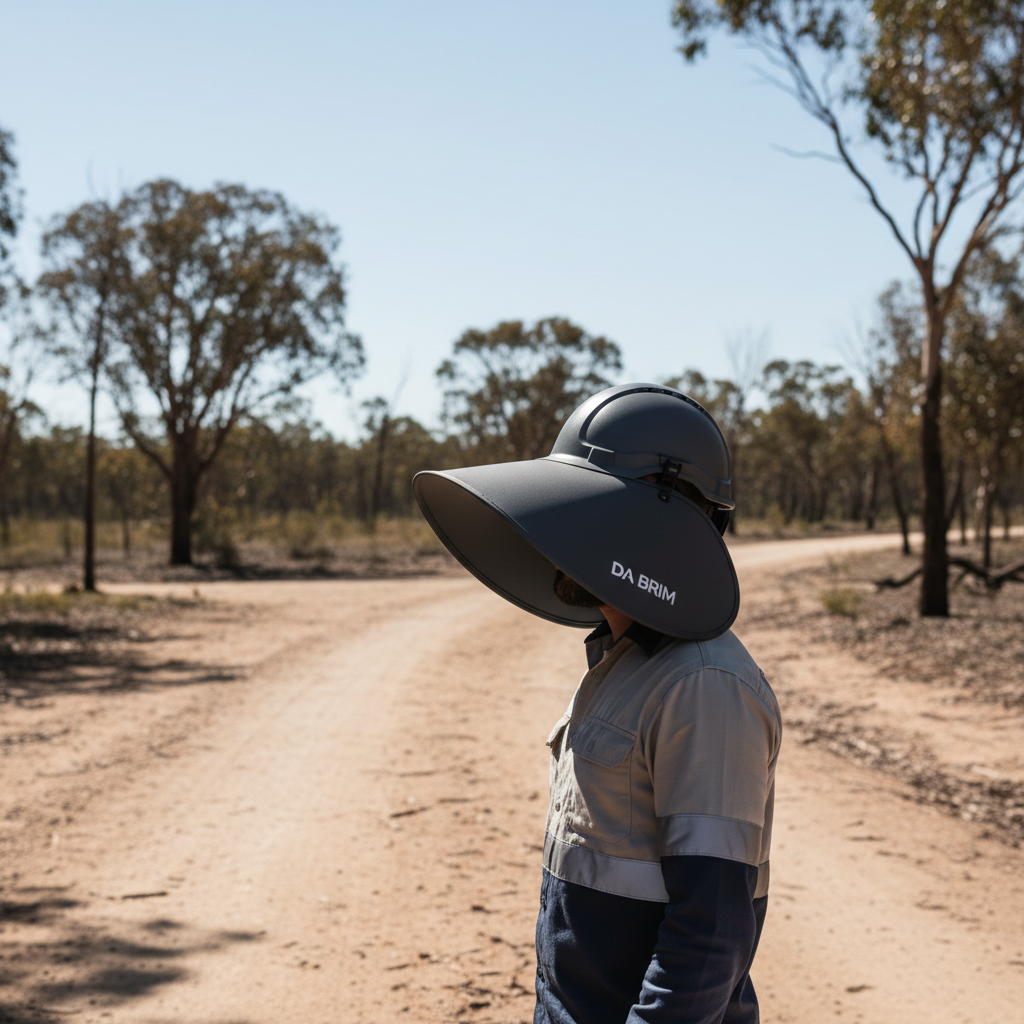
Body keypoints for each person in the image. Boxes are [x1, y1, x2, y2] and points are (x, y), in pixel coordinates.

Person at [414, 384, 781, 1024]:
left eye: (586, 511)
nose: (561, 536)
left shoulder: (704, 685)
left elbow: (711, 936)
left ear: (649, 525)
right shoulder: (622, 659)